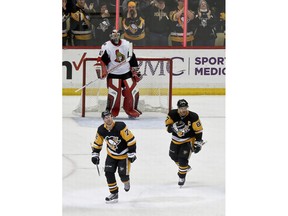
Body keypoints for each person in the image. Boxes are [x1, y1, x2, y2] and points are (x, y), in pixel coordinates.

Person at [91, 110, 137, 203]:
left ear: (112, 117)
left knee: (123, 175)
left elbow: (131, 139)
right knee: (108, 173)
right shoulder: (101, 130)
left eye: (110, 116)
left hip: (124, 156)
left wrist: (132, 152)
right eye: (106, 118)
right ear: (103, 119)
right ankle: (114, 193)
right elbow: (97, 143)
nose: (108, 119)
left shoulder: (120, 126)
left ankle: (126, 181)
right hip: (111, 155)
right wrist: (95, 154)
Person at [95, 29, 143, 118]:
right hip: (113, 73)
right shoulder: (106, 46)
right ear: (110, 36)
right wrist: (102, 71)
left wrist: (136, 71)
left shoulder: (127, 44)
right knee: (114, 93)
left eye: (117, 35)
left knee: (132, 91)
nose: (116, 37)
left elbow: (132, 57)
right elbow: (101, 60)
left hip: (126, 72)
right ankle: (111, 111)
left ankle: (131, 109)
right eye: (114, 35)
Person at [165, 99, 205, 187]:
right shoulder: (172, 114)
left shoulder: (193, 116)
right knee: (173, 156)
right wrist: (173, 127)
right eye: (181, 108)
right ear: (178, 108)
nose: (183, 110)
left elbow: (198, 131)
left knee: (182, 159)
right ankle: (185, 167)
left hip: (188, 140)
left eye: (185, 108)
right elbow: (168, 128)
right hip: (175, 139)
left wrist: (198, 143)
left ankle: (181, 176)